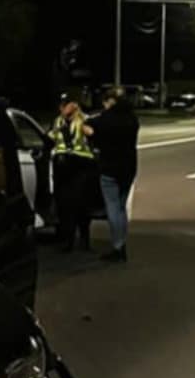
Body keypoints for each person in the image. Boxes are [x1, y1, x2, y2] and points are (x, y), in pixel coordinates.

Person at [85, 86, 138, 262]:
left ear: (110, 102)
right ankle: (122, 243)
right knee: (121, 207)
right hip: (129, 167)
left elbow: (89, 128)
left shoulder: (105, 119)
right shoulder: (132, 119)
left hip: (110, 167)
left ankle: (118, 247)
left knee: (113, 208)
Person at [50, 93, 97, 251]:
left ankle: (84, 240)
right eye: (62, 105)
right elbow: (50, 138)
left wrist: (87, 129)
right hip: (62, 166)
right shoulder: (57, 121)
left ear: (75, 105)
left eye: (66, 104)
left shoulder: (84, 119)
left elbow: (93, 135)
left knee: (81, 204)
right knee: (64, 205)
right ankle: (67, 240)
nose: (63, 108)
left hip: (81, 165)